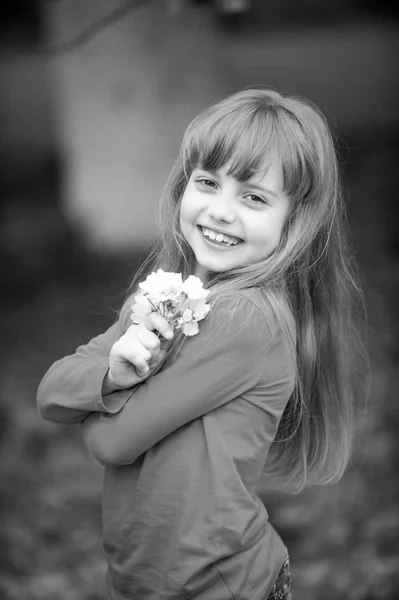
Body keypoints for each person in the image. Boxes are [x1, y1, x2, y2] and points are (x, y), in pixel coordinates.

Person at [37, 88, 366, 600]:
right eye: (208, 182)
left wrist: (101, 395)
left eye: (254, 197)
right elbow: (51, 394)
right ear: (182, 186)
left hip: (215, 584)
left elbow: (111, 443)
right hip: (146, 580)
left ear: (295, 222)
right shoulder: (167, 297)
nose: (221, 211)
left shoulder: (245, 320)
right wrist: (111, 376)